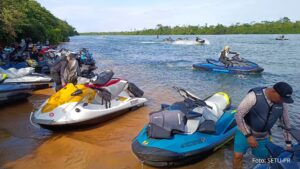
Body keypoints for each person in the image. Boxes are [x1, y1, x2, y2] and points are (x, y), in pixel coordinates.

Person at [233, 82, 294, 169]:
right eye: (281, 98)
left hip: (263, 135)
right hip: (244, 131)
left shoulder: (282, 103)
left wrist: (288, 144)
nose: (282, 101)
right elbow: (238, 115)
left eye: (284, 99)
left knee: (263, 161)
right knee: (237, 156)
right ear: (273, 91)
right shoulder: (253, 96)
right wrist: (249, 136)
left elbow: (286, 123)